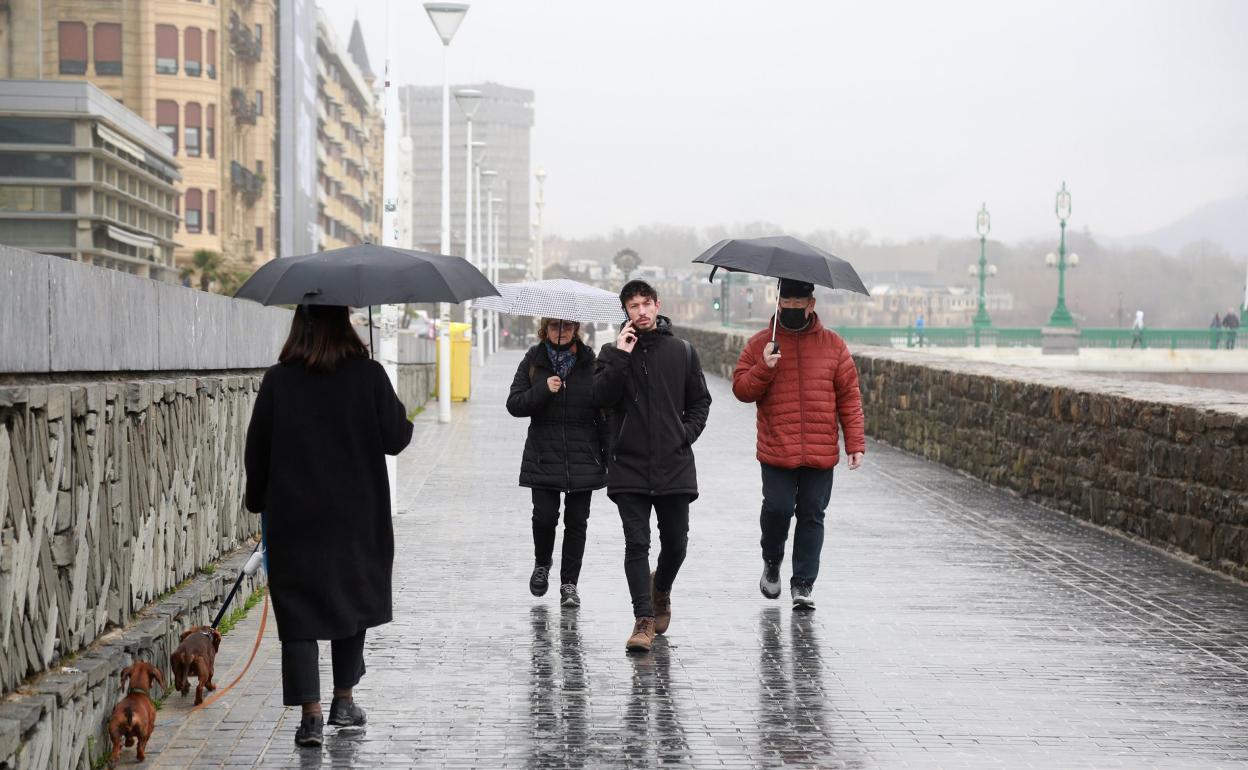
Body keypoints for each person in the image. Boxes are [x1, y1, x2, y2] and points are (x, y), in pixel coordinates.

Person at [244, 304, 413, 748]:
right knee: (349, 600)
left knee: (299, 612)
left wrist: (256, 499)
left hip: (295, 516)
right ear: (344, 323)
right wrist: (382, 388)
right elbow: (397, 437)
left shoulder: (279, 380)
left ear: (299, 326)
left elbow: (257, 449)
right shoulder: (368, 374)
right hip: (356, 515)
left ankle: (311, 716)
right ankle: (344, 698)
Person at [731, 279, 866, 611]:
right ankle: (772, 560)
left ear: (811, 303)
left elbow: (849, 397)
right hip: (778, 447)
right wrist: (764, 366)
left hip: (820, 450)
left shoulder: (833, 345)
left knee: (812, 515)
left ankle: (803, 584)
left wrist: (855, 442)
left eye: (798, 301)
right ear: (778, 303)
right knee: (777, 509)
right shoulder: (762, 343)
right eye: (785, 301)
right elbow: (741, 390)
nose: (791, 307)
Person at [594, 280, 711, 652]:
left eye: (646, 303)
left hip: (674, 463)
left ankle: (660, 589)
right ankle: (642, 620)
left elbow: (700, 402)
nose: (641, 311)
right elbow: (599, 398)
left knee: (676, 543)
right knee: (636, 543)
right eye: (633, 306)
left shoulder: (683, 351)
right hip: (628, 465)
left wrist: (684, 434)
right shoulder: (612, 353)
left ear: (658, 305)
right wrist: (619, 356)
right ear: (625, 312)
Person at [506, 317, 608, 608]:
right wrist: (542, 390)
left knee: (577, 523)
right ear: (545, 329)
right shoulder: (534, 360)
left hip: (583, 455)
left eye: (566, 327)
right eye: (554, 327)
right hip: (544, 454)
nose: (560, 332)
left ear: (576, 329)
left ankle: (569, 584)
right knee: (545, 517)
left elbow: (604, 412)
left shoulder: (591, 362)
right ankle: (542, 564)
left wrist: (607, 455)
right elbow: (514, 404)